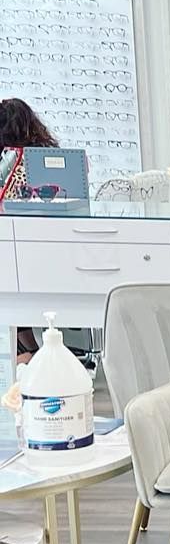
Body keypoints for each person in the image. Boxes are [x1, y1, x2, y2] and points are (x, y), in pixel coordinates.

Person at [0, 99, 59, 358]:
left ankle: (24, 350)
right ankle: (29, 349)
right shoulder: (49, 157)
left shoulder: (11, 164)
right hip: (49, 256)